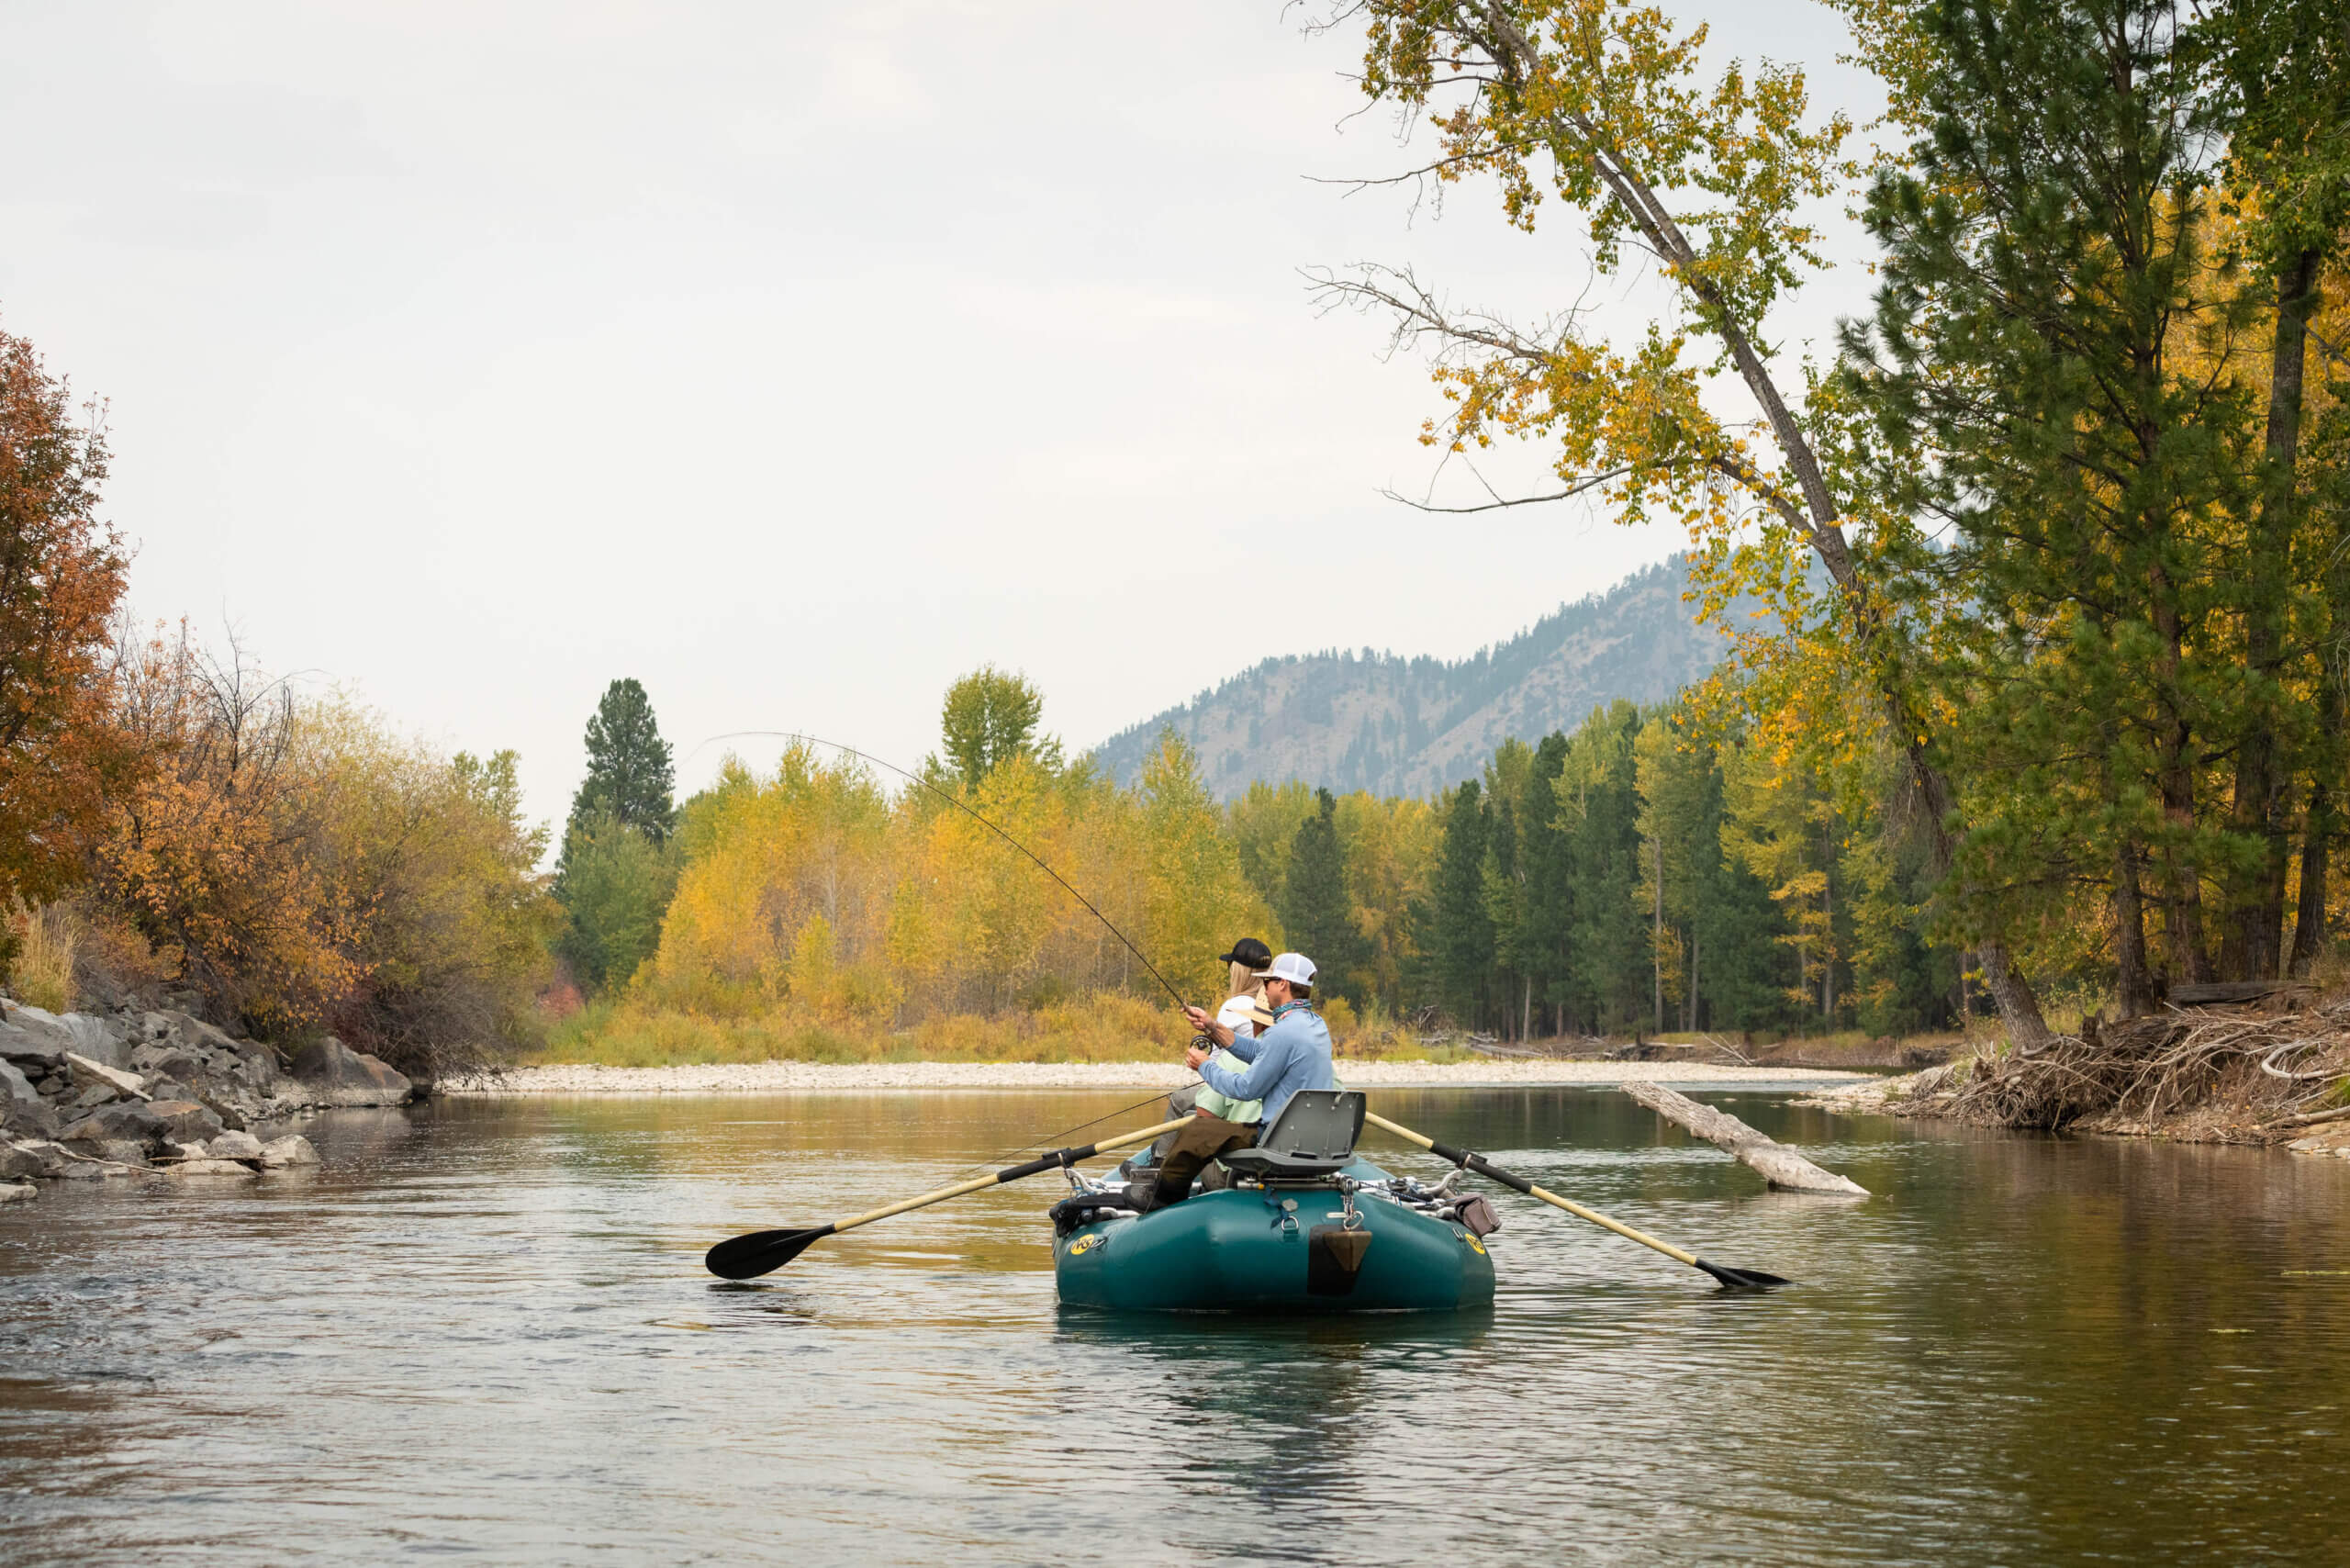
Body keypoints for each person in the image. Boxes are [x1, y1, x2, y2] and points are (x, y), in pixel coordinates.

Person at [1133, 951, 1336, 1211]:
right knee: (1209, 1131)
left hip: (1278, 1138)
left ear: (1282, 984)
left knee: (1198, 1131)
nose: (1264, 987)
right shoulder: (1316, 1025)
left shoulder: (1283, 1032)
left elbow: (1245, 1088)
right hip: (1308, 1136)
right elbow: (1258, 1052)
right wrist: (1212, 1027)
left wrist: (1204, 1066)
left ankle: (1161, 1200)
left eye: (1267, 982)